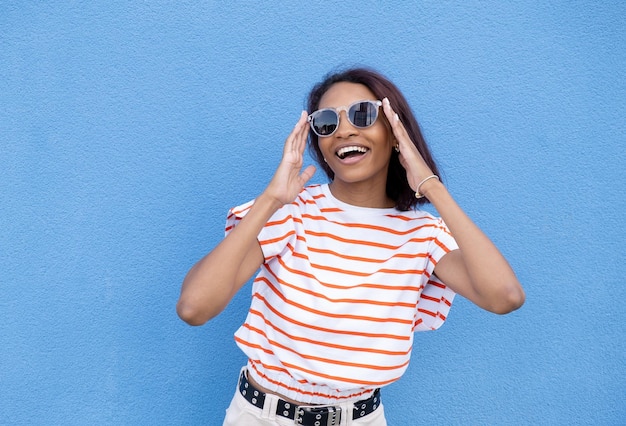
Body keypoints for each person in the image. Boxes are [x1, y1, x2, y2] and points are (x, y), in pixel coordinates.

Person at [177, 67, 525, 426]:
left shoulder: (425, 235)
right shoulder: (290, 214)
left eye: (363, 114)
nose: (343, 130)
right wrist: (270, 200)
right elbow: (194, 307)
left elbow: (505, 297)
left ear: (395, 134)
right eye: (326, 122)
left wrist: (431, 187)